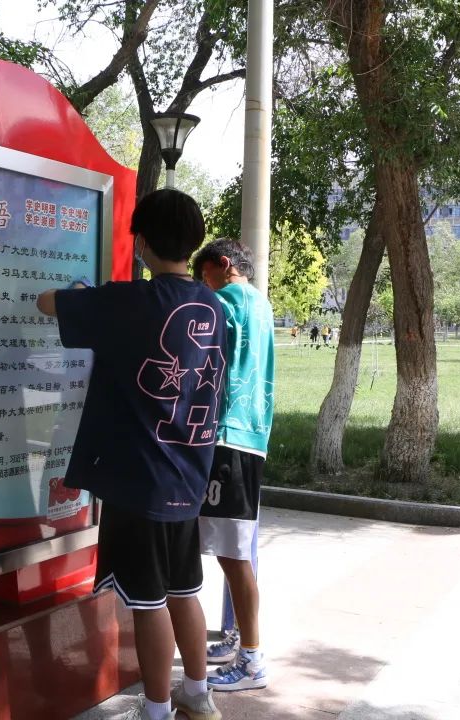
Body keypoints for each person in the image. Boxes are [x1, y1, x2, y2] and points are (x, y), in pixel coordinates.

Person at [37, 188, 225, 720]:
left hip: (142, 480)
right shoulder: (212, 305)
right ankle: (197, 694)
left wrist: (83, 295)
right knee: (184, 590)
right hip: (188, 475)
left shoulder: (129, 301)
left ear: (141, 242)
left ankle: (157, 710)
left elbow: (48, 302)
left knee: (148, 602)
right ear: (194, 242)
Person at [191, 239, 275, 692]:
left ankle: (252, 661)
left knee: (233, 555)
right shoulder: (260, 304)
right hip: (250, 433)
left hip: (228, 437)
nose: (204, 286)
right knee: (234, 551)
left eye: (205, 276)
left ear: (224, 266)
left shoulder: (226, 301)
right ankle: (241, 641)